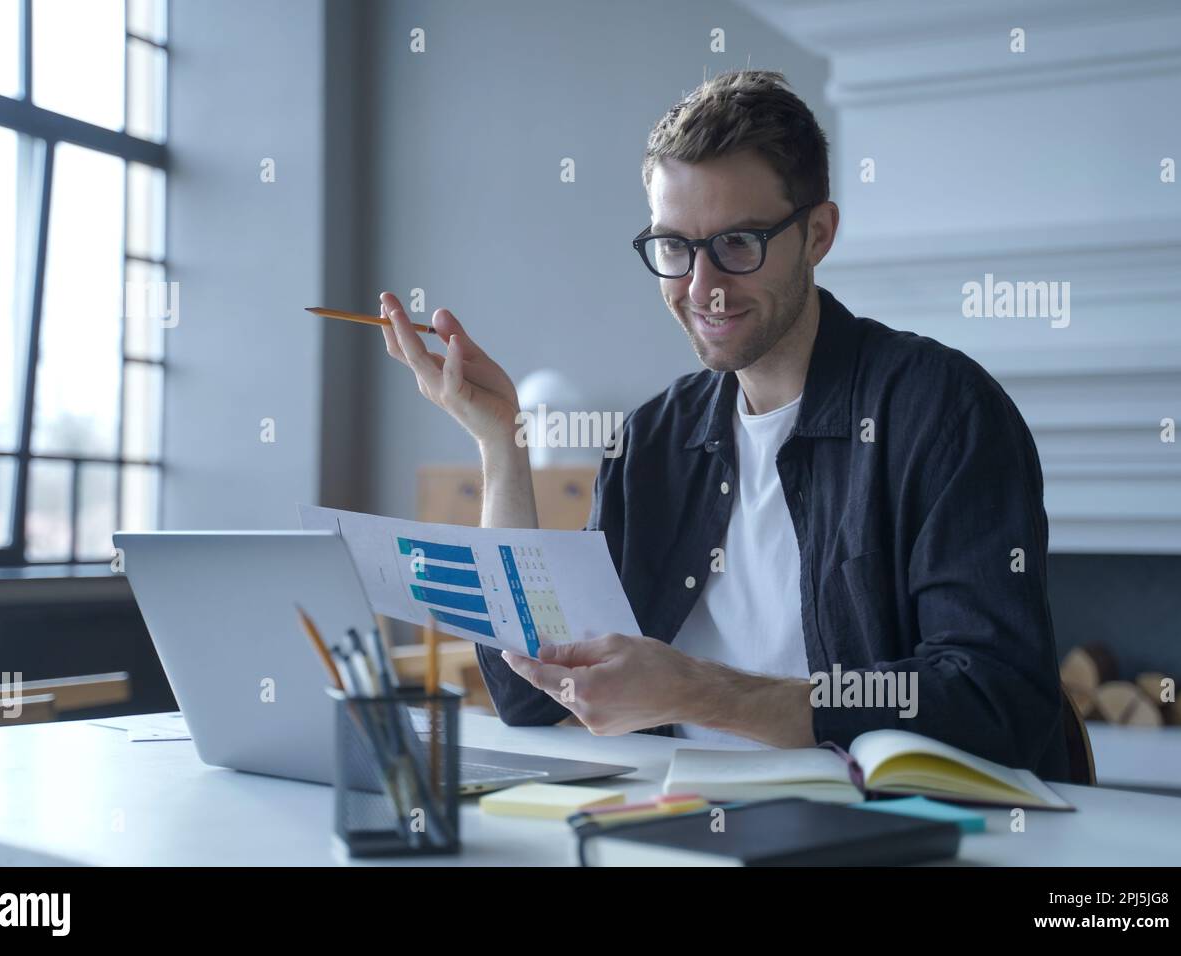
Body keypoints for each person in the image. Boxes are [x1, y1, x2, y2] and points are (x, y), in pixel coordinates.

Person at [378, 69, 1069, 779]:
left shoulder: (940, 411)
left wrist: (704, 692)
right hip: (685, 824)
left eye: (738, 244)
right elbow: (535, 697)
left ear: (819, 234)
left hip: (885, 833)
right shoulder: (653, 440)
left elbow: (995, 700)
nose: (702, 286)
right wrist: (501, 442)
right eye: (674, 247)